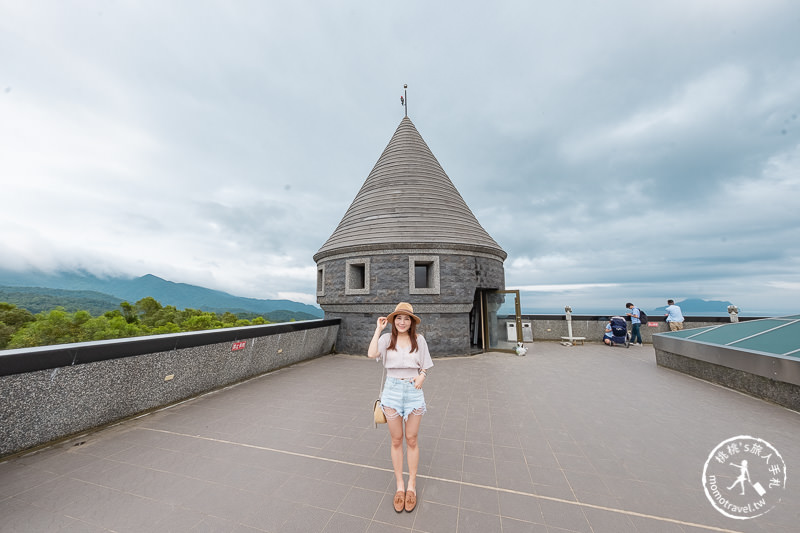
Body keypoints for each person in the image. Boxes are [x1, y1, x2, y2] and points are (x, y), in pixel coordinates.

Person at [368, 302, 433, 513]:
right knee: (396, 440)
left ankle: (412, 486)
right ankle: (400, 487)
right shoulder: (387, 339)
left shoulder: (418, 340)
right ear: (393, 321)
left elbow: (425, 365)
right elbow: (371, 354)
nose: (402, 322)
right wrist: (379, 329)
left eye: (406, 319)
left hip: (413, 391)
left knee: (411, 439)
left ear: (412, 322)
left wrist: (422, 376)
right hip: (392, 391)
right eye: (398, 318)